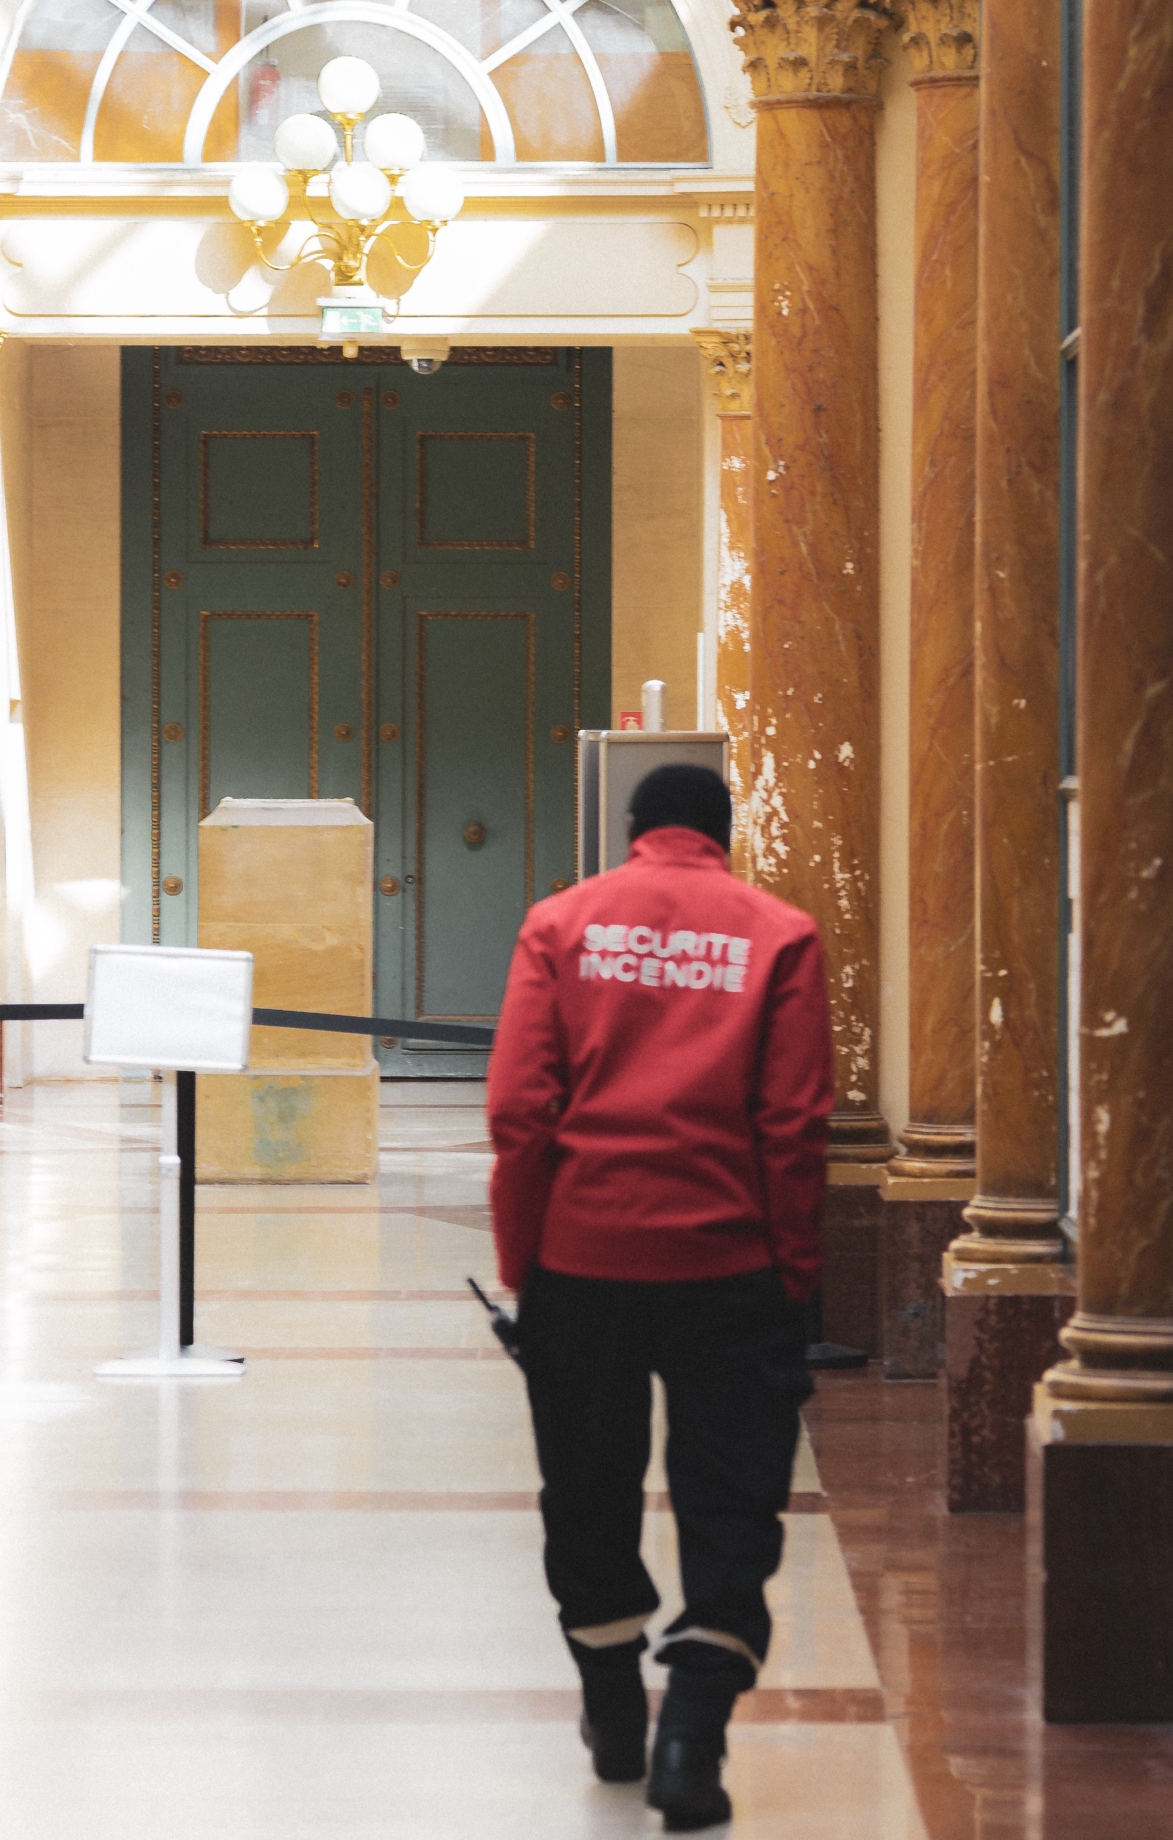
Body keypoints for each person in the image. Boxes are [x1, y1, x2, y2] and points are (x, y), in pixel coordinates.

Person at [486, 762, 833, 1832]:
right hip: (727, 1265)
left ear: (634, 829)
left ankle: (611, 1704)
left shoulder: (561, 921)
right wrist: (792, 1274)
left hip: (584, 1262)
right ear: (723, 835)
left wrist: (524, 1262)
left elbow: (517, 1109)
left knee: (586, 1487)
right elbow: (793, 1123)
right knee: (732, 1499)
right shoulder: (779, 932)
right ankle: (692, 1734)